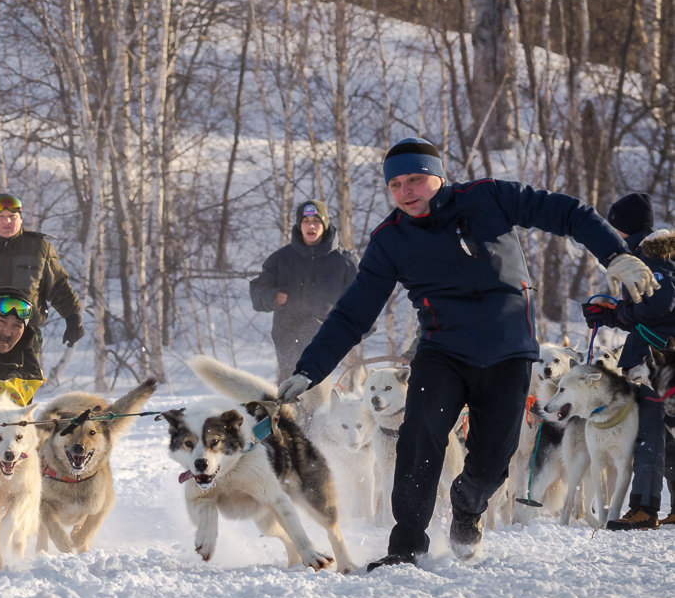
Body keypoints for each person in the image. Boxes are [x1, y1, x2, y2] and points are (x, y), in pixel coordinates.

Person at [276, 137, 659, 571]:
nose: (406, 191)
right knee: (419, 439)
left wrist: (616, 254)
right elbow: (353, 313)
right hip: (442, 352)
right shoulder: (390, 240)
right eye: (396, 184)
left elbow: (568, 212)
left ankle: (467, 505)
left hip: (509, 351)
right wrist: (310, 368)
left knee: (495, 457)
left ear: (439, 176)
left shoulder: (488, 198)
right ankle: (406, 546)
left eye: (416, 179)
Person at [581, 192, 674, 529]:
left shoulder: (647, 258)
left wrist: (619, 312)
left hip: (653, 361)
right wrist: (611, 315)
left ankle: (643, 510)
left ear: (623, 228)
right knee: (667, 434)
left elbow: (660, 303)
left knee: (649, 432)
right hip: (661, 355)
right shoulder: (660, 254)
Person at [0, 193, 84, 349]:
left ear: (21, 219)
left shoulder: (39, 249)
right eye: (1, 217)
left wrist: (72, 318)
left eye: (12, 216)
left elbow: (58, 287)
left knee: (24, 374)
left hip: (26, 335)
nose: (7, 221)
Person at [249, 200, 359, 386]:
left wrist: (348, 333)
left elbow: (364, 303)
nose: (311, 226)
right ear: (299, 226)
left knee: (327, 407)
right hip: (289, 347)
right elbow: (258, 290)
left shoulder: (346, 262)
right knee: (290, 407)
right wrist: (272, 296)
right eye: (306, 221)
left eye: (316, 221)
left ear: (324, 225)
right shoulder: (280, 259)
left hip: (331, 348)